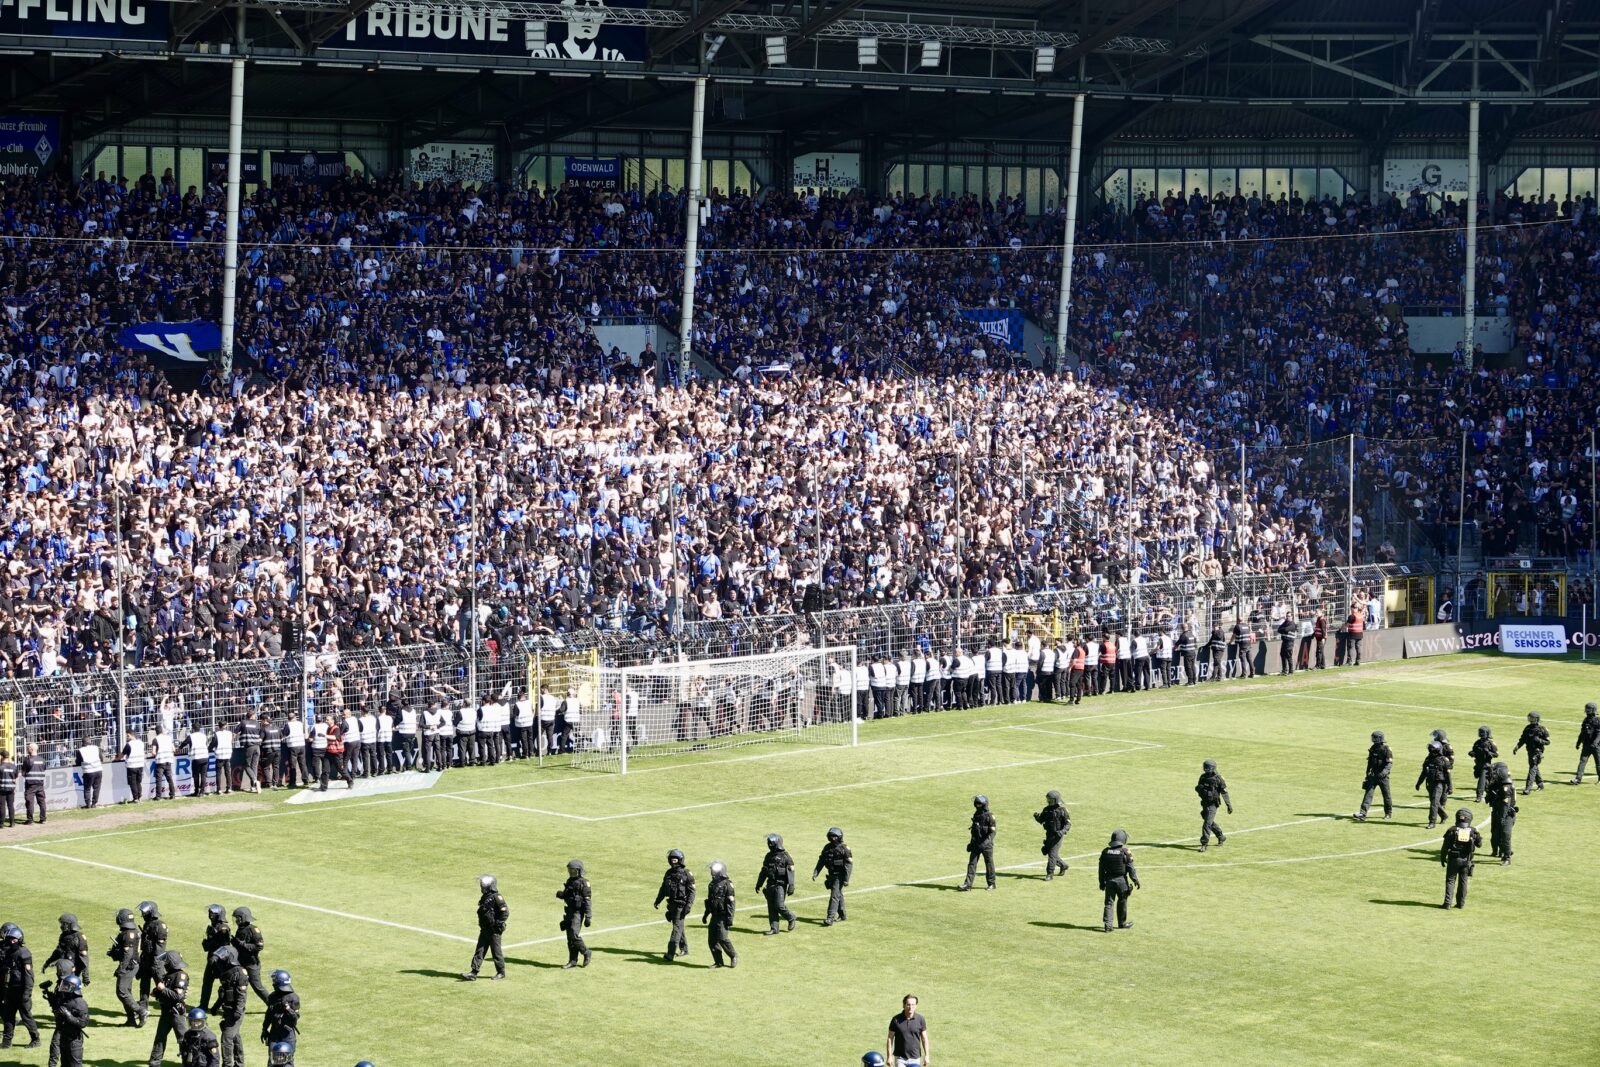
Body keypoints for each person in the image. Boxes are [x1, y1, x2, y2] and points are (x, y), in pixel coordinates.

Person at [147, 949, 191, 1067]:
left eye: (166, 962)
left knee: (183, 1040)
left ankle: (188, 1063)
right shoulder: (169, 975)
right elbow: (165, 990)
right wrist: (157, 992)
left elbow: (177, 996)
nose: (165, 964)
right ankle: (154, 1063)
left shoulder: (181, 976)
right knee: (159, 1039)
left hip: (176, 1013)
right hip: (166, 1012)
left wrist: (163, 989)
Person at [1, 922, 41, 1049]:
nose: (9, 942)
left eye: (12, 940)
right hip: (10, 990)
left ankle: (36, 1039)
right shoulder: (8, 952)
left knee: (26, 1017)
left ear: (18, 940)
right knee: (8, 1017)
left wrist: (26, 994)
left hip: (21, 990)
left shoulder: (24, 953)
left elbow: (29, 977)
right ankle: (7, 1042)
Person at [461, 874, 508, 981]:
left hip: (494, 930)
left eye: (484, 885)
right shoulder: (485, 897)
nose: (482, 887)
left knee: (496, 952)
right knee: (480, 950)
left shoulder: (497, 897)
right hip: (485, 929)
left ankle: (501, 972)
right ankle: (473, 973)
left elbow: (505, 912)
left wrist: (498, 923)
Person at [653, 849, 696, 961]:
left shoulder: (687, 873)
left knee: (676, 928)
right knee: (678, 926)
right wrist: (658, 900)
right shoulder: (668, 873)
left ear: (680, 860)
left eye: (675, 859)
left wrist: (688, 906)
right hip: (671, 904)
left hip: (681, 906)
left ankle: (670, 953)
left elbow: (692, 892)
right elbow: (663, 889)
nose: (674, 862)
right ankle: (684, 949)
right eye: (672, 860)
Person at [208, 947, 247, 1067]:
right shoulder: (226, 972)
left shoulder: (240, 973)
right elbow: (224, 993)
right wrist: (215, 1007)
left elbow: (242, 996)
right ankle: (239, 1063)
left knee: (226, 1038)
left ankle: (227, 1064)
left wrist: (238, 1011)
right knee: (235, 1037)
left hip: (235, 1011)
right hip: (228, 1010)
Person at [1098, 829, 1140, 932]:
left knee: (1109, 903)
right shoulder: (1125, 852)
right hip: (1121, 881)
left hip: (1109, 881)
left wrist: (1101, 882)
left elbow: (1101, 869)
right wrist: (1135, 880)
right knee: (1122, 901)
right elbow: (1130, 868)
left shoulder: (1105, 852)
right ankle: (1122, 923)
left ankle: (1108, 925)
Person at [1440, 807, 1482, 910]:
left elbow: (1445, 846)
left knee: (1450, 881)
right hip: (1466, 860)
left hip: (1453, 859)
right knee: (1463, 881)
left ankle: (1447, 903)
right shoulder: (1473, 831)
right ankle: (1460, 903)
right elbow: (1479, 844)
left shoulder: (1451, 830)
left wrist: (1442, 858)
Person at [755, 834, 797, 935]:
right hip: (770, 884)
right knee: (771, 908)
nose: (770, 845)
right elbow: (764, 871)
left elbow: (791, 871)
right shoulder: (768, 856)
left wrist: (791, 885)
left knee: (779, 906)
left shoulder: (785, 856)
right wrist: (759, 884)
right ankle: (774, 928)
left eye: (771, 843)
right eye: (769, 843)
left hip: (780, 885)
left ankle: (790, 917)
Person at [107, 908, 142, 1026]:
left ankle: (141, 1011)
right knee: (127, 992)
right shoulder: (132, 931)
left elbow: (128, 954)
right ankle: (131, 1020)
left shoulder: (128, 934)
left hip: (128, 966)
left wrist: (121, 969)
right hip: (132, 965)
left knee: (122, 992)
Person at [812, 827, 853, 925]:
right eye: (831, 836)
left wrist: (846, 879)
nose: (833, 838)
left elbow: (849, 864)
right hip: (831, 875)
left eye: (835, 836)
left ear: (839, 837)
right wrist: (816, 872)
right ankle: (842, 915)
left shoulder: (844, 848)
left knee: (834, 896)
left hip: (840, 876)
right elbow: (821, 860)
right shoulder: (827, 848)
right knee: (838, 894)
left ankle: (830, 918)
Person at [556, 860, 592, 969]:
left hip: (577, 913)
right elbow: (567, 893)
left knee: (574, 935)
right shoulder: (570, 881)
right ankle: (572, 960)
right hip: (569, 912)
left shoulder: (584, 883)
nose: (571, 872)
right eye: (569, 870)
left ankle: (586, 952)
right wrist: (561, 895)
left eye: (573, 870)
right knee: (569, 938)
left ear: (579, 871)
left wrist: (588, 916)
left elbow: (587, 901)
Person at [195, 906, 232, 1012]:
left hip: (221, 961)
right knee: (206, 982)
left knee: (226, 984)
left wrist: (211, 945)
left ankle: (230, 1005)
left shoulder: (223, 928)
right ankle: (203, 1005)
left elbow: (224, 946)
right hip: (211, 959)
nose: (211, 915)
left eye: (213, 913)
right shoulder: (212, 926)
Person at [46, 973, 87, 1067]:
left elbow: (83, 1023)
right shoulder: (65, 999)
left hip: (74, 1040)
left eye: (66, 985)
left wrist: (68, 1016)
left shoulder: (80, 1004)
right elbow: (58, 1009)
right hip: (64, 1037)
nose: (63, 987)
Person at [702, 860, 738, 969]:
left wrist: (730, 918)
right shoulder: (711, 884)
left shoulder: (728, 884)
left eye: (714, 870)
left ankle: (733, 955)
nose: (712, 872)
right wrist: (705, 915)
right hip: (714, 916)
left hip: (723, 916)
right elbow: (710, 901)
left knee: (722, 938)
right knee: (712, 940)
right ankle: (718, 962)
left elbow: (731, 903)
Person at [136, 901, 168, 1020]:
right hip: (146, 959)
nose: (143, 914)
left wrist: (156, 963)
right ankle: (143, 1007)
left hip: (156, 961)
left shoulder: (160, 926)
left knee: (161, 985)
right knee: (144, 985)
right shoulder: (147, 924)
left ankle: (167, 1008)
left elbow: (159, 948)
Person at [958, 794, 996, 892]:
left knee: (989, 864)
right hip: (976, 844)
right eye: (976, 803)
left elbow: (992, 833)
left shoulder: (990, 816)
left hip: (986, 846)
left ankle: (991, 884)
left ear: (983, 804)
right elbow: (974, 831)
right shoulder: (976, 815)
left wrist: (985, 844)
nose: (976, 805)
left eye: (978, 803)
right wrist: (971, 843)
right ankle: (967, 885)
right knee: (972, 864)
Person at [43, 914, 89, 996]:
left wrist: (85, 976)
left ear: (68, 924)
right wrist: (47, 963)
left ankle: (74, 1006)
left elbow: (84, 957)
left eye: (63, 924)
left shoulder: (79, 937)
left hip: (73, 969)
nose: (61, 926)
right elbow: (58, 952)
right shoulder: (63, 936)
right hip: (63, 969)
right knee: (61, 992)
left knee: (69, 992)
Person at [1353, 730, 1393, 821]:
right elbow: (1370, 763)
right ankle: (1363, 814)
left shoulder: (1386, 749)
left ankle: (1388, 813)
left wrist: (1383, 773)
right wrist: (1367, 774)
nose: (1372, 739)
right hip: (1373, 776)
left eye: (1374, 737)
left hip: (1383, 778)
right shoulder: (1373, 748)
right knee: (1368, 794)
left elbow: (1389, 764)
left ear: (1379, 738)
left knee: (1386, 796)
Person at [259, 971, 298, 1059]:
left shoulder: (293, 998)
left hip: (287, 1035)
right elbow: (268, 1014)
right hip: (274, 1034)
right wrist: (264, 1029)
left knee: (287, 1061)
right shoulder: (272, 997)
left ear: (279, 983)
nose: (273, 983)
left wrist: (288, 1009)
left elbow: (295, 1019)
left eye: (274, 981)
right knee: (272, 1061)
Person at [1032, 790, 1071, 879]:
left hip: (1058, 835)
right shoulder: (1046, 810)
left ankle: (1050, 873)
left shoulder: (1062, 810)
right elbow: (1041, 820)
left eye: (1051, 800)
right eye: (1048, 800)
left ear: (1056, 800)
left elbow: (1068, 824)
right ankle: (1063, 865)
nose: (1049, 801)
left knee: (1052, 854)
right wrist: (1037, 817)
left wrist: (1062, 831)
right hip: (1049, 834)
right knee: (1049, 852)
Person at [1195, 760, 1233, 852]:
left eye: (1207, 767)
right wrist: (1198, 789)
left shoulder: (1218, 778)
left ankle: (1204, 844)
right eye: (1205, 767)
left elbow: (1224, 792)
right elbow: (1199, 788)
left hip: (1213, 805)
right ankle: (1221, 836)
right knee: (1209, 822)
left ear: (1212, 768)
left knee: (1207, 824)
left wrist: (1228, 805)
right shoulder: (1203, 777)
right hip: (1204, 803)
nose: (1205, 769)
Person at [1486, 761, 1518, 866]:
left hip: (1506, 814)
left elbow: (1506, 804)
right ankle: (1499, 850)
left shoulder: (1506, 787)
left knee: (1505, 834)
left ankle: (1506, 857)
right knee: (1495, 833)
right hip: (1497, 811)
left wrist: (1503, 817)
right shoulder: (1496, 784)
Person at [885, 994, 930, 1067]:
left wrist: (927, 1056)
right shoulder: (896, 1019)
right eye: (908, 1005)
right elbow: (890, 1039)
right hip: (900, 1059)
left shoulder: (920, 1019)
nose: (910, 1007)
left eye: (913, 1005)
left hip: (915, 1058)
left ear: (916, 1006)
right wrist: (889, 1056)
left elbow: (924, 1039)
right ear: (904, 1005)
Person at [1416, 740, 1451, 829]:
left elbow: (1448, 774)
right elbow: (1423, 772)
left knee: (1434, 803)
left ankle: (1432, 822)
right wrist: (1419, 783)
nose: (1431, 750)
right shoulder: (1428, 759)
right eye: (1430, 748)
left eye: (1433, 749)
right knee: (1434, 802)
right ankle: (1444, 815)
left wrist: (1450, 787)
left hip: (1439, 784)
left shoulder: (1443, 760)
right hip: (1429, 783)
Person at [1513, 711, 1549, 794]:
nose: (1530, 719)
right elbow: (1522, 739)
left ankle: (1528, 788)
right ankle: (1540, 784)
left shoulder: (1541, 729)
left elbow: (1547, 742)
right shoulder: (1527, 728)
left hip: (1537, 752)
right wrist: (1517, 747)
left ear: (1537, 719)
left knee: (1532, 769)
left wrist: (1539, 740)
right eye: (1529, 718)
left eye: (1532, 718)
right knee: (1534, 767)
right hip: (1529, 751)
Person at [1469, 726, 1498, 802]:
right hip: (1478, 764)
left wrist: (1488, 752)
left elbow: (1496, 755)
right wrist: (1472, 753)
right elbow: (1474, 751)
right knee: (1485, 782)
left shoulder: (1491, 743)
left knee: (1481, 781)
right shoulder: (1477, 742)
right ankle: (1492, 794)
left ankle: (1479, 796)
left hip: (1486, 765)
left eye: (1482, 732)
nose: (1481, 734)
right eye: (1480, 732)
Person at [22, 742, 48, 823]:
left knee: (30, 802)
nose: (27, 749)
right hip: (40, 784)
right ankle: (43, 819)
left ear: (31, 749)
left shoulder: (27, 759)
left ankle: (30, 820)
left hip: (30, 785)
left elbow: (23, 773)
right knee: (42, 802)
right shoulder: (42, 760)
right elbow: (44, 769)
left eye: (28, 748)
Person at [237, 711, 262, 794]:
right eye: (254, 715)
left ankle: (255, 781)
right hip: (257, 747)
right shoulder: (257, 723)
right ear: (252, 716)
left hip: (249, 747)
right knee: (254, 766)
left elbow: (235, 732)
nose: (255, 717)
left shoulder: (243, 722)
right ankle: (253, 787)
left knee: (246, 766)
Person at [75, 738, 104, 808]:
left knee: (87, 788)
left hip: (88, 771)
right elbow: (101, 758)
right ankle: (94, 804)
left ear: (82, 743)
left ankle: (88, 804)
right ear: (90, 742)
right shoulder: (96, 748)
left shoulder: (80, 750)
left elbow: (78, 762)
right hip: (98, 770)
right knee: (97, 788)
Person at [1575, 703, 1600, 784]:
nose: (1586, 710)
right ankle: (1578, 779)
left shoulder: (1598, 720)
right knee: (1582, 762)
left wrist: (1595, 743)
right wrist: (1578, 743)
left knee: (1598, 763)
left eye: (1588, 709)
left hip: (1596, 747)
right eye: (1586, 709)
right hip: (1586, 745)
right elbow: (1582, 733)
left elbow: (1599, 733)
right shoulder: (1585, 720)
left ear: (1593, 710)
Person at [151, 727, 178, 800]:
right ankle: (172, 795)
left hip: (160, 761)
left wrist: (155, 753)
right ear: (162, 731)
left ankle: (158, 796)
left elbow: (153, 752)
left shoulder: (155, 739)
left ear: (156, 732)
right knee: (169, 778)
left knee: (159, 779)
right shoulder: (169, 738)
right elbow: (174, 749)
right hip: (168, 760)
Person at [122, 731, 146, 804]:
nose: (127, 737)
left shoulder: (129, 744)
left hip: (131, 766)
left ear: (132, 735)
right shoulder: (141, 743)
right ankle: (139, 797)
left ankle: (135, 799)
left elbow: (122, 755)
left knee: (133, 783)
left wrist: (117, 758)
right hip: (140, 765)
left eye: (128, 736)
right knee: (138, 782)